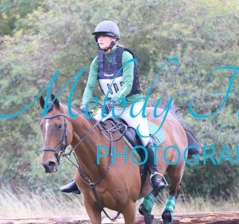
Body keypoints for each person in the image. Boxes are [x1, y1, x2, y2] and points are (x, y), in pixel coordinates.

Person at [60, 20, 169, 194]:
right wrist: (85, 104)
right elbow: (90, 86)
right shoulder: (97, 61)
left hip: (131, 106)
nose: (100, 39)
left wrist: (114, 100)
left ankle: (155, 175)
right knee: (87, 134)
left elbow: (127, 84)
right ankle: (79, 178)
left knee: (143, 136)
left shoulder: (125, 56)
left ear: (114, 39)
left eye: (104, 36)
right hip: (110, 107)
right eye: (98, 37)